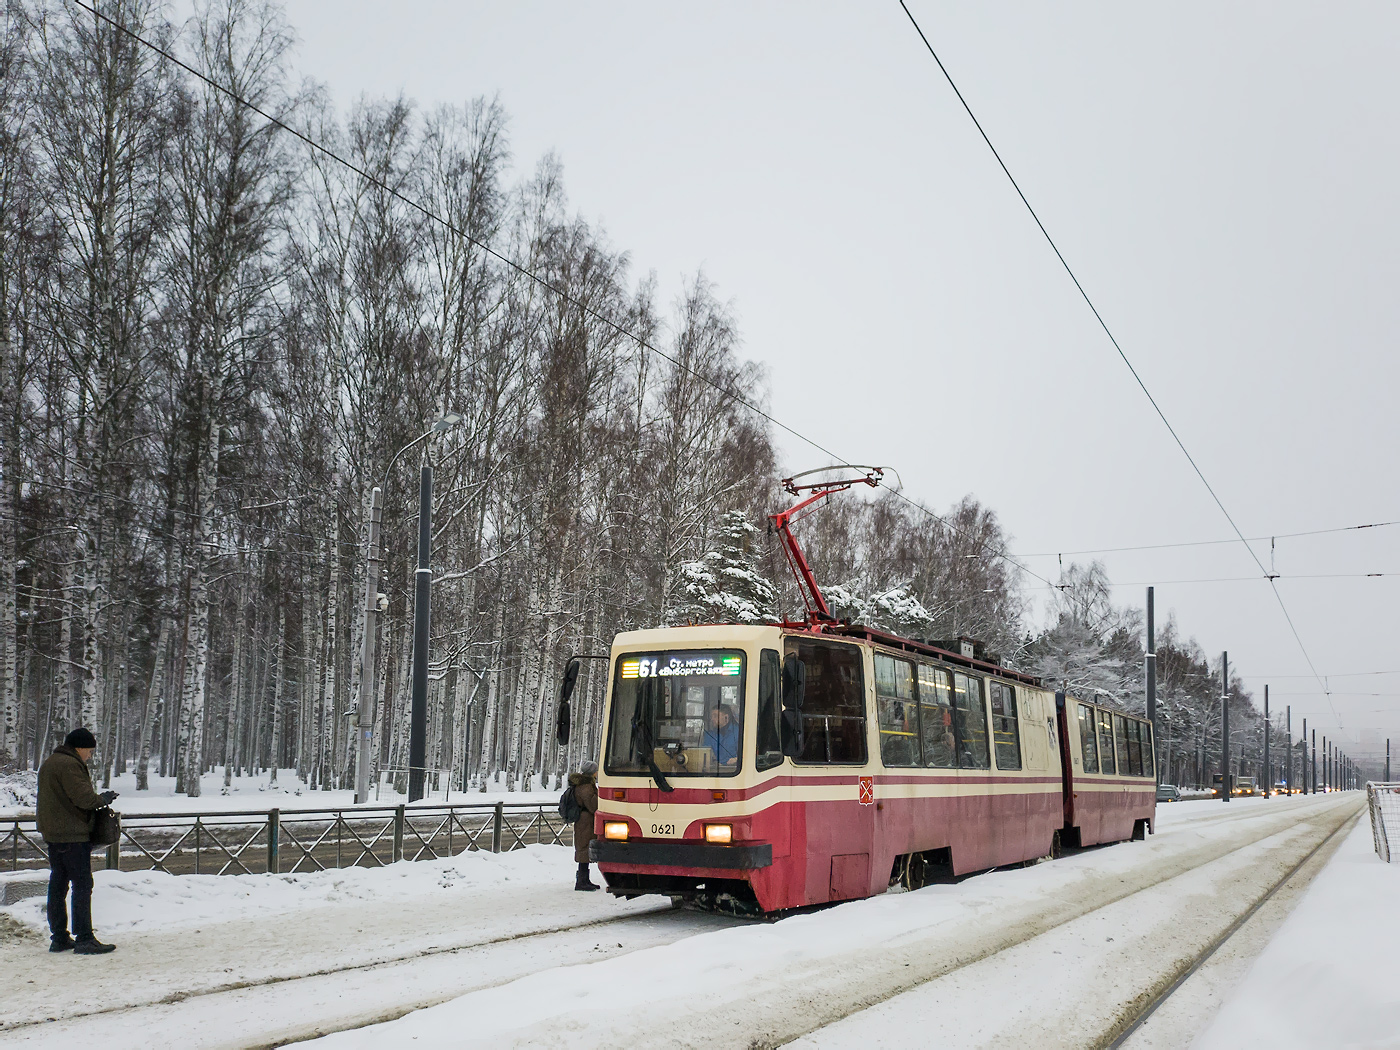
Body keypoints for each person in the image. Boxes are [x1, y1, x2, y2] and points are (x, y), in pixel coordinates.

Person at [37, 728, 118, 954]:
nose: (89, 756)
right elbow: (83, 798)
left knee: (58, 885)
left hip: (54, 833)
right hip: (72, 833)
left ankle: (59, 937)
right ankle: (84, 938)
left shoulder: (51, 762)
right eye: (89, 751)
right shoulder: (69, 765)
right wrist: (102, 799)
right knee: (82, 885)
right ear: (79, 747)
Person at [570, 761, 600, 892]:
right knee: (584, 848)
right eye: (596, 770)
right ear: (592, 772)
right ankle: (581, 882)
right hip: (585, 821)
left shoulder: (584, 784)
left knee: (585, 848)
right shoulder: (586, 786)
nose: (597, 773)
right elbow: (593, 805)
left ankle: (585, 880)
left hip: (585, 820)